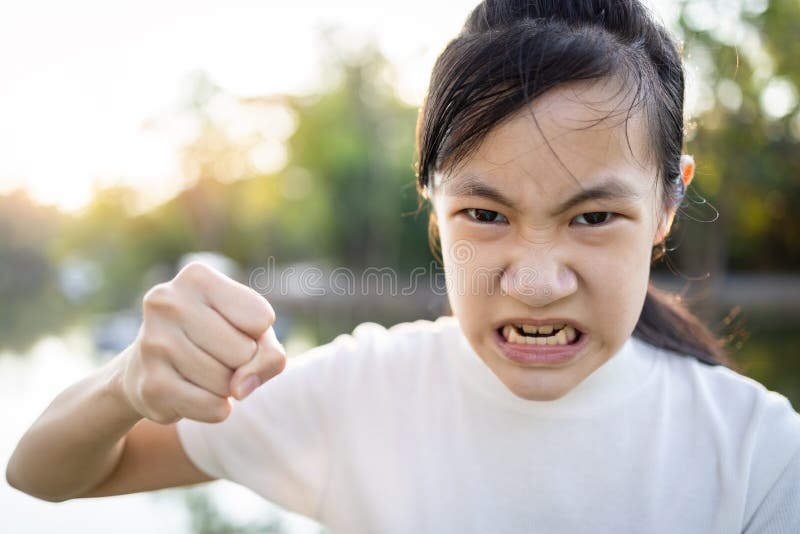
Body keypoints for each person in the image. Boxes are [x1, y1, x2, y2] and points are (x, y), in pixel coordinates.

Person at [7, 0, 800, 532]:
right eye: (484, 215)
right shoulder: (360, 391)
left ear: (667, 205)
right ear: (432, 203)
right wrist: (128, 384)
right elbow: (42, 473)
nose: (534, 281)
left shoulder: (759, 455)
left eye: (593, 217)